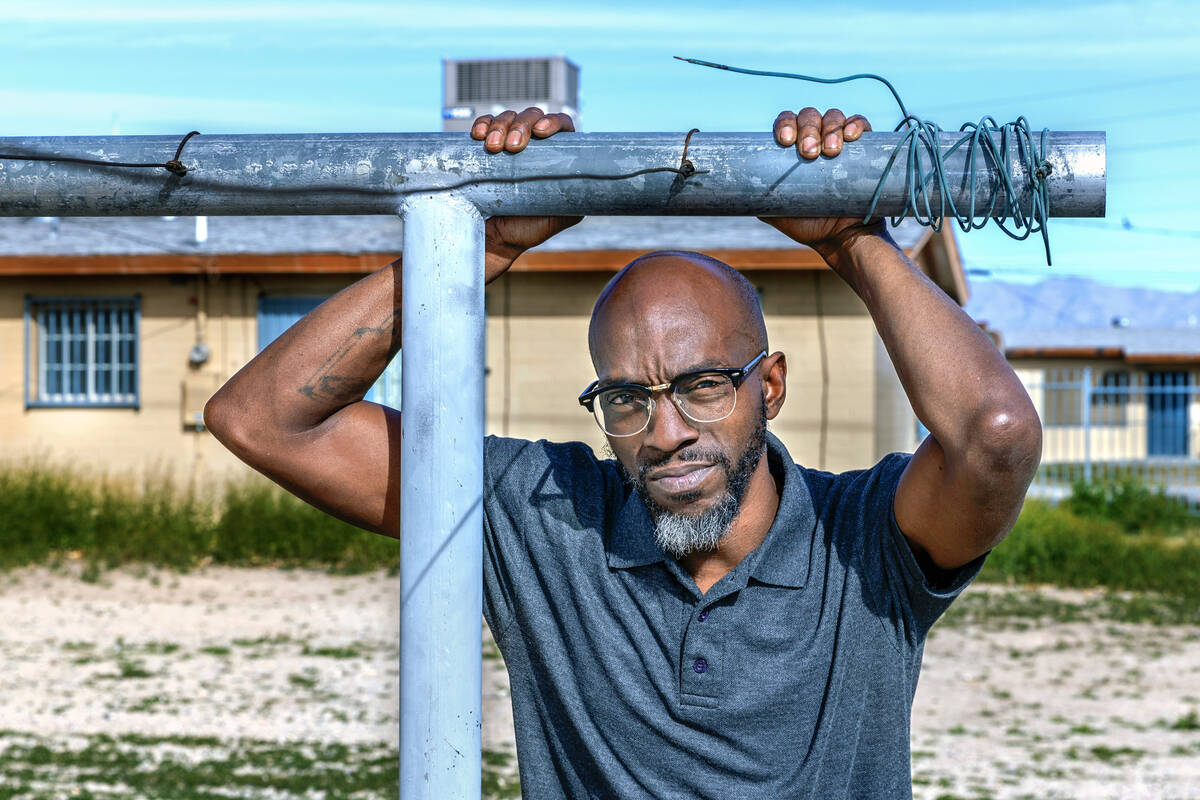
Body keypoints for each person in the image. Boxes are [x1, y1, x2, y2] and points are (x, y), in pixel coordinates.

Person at [204, 105, 1041, 798]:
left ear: (770, 387)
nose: (666, 433)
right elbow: (264, 421)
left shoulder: (863, 540)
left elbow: (994, 437)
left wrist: (852, 244)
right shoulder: (543, 516)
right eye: (627, 400)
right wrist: (479, 245)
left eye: (704, 386)